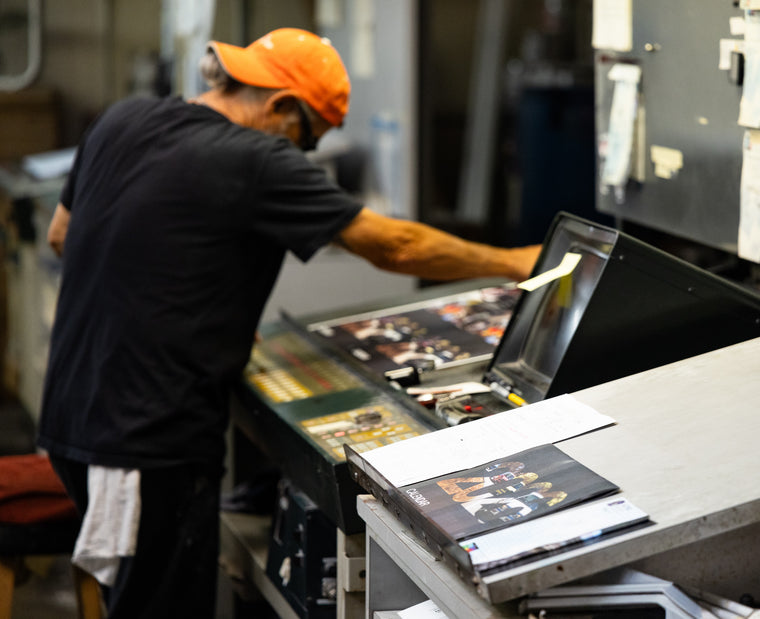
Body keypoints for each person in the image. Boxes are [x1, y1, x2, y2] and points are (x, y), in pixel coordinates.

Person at [37, 27, 540, 618]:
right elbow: (395, 246)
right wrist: (515, 261)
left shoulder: (125, 118)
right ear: (280, 106)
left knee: (136, 593)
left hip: (71, 413)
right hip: (145, 437)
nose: (304, 153)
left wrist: (185, 307)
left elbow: (63, 235)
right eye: (309, 138)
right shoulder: (255, 159)